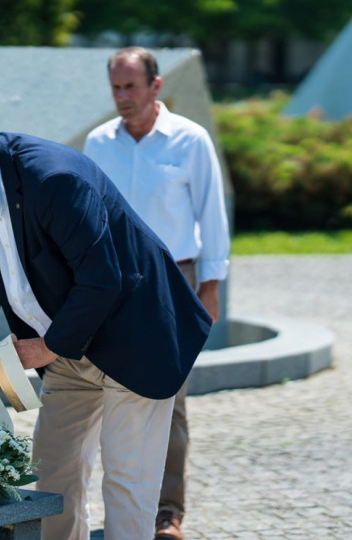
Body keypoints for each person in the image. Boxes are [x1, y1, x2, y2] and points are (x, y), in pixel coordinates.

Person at [0, 119, 213, 540]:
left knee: (127, 480)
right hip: (66, 346)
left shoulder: (56, 180)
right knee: (52, 473)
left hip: (134, 339)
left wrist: (45, 348)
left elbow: (102, 280)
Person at [83, 47, 230, 540]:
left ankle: (167, 513)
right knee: (105, 395)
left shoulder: (190, 140)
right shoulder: (98, 142)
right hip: (112, 286)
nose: (123, 97)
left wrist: (209, 287)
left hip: (175, 282)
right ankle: (120, 508)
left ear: (156, 86)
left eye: (131, 86)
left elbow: (212, 215)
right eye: (116, 88)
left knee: (171, 398)